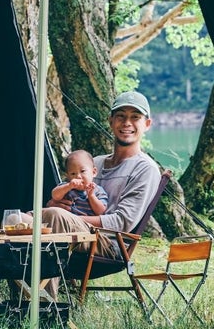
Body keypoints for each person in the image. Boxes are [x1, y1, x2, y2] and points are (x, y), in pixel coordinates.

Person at [39, 91, 164, 237]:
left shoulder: (145, 169)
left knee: (48, 218)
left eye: (135, 117)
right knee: (18, 219)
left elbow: (121, 223)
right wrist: (54, 205)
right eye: (121, 116)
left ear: (147, 124)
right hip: (69, 231)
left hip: (104, 242)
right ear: (111, 121)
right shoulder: (95, 162)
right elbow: (62, 196)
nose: (127, 123)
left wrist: (65, 218)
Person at [45, 149, 108, 221]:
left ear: (93, 172)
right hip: (63, 221)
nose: (78, 176)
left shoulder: (98, 191)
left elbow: (101, 211)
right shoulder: (66, 187)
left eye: (82, 171)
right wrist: (69, 186)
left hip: (84, 226)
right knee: (33, 215)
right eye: (73, 174)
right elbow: (55, 195)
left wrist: (91, 196)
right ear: (68, 176)